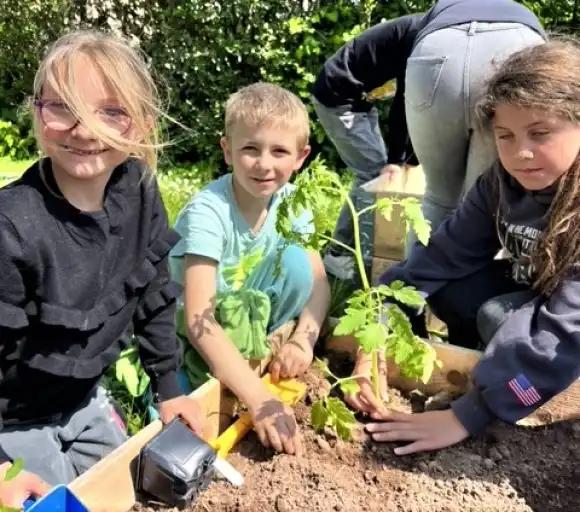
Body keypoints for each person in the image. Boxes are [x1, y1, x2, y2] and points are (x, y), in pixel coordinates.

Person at [346, 41, 580, 454]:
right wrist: (375, 328)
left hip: (571, 324)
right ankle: (492, 372)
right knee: (455, 290)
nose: (520, 153)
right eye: (505, 136)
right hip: (546, 298)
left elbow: (562, 332)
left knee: (498, 319)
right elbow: (437, 257)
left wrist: (466, 416)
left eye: (540, 133)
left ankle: (519, 390)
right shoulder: (501, 183)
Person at [0, 30, 202, 494]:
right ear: (37, 111)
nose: (85, 130)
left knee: (127, 487)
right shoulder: (12, 227)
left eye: (111, 111)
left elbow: (152, 294)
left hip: (82, 399)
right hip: (12, 418)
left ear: (145, 122)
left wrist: (169, 388)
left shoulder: (140, 190)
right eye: (62, 107)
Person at [313, 0, 545, 276]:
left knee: (439, 198)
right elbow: (402, 101)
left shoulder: (431, 28)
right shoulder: (416, 30)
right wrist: (395, 161)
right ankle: (352, 259)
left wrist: (402, 158)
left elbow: (410, 100)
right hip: (337, 98)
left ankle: (411, 293)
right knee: (378, 176)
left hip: (367, 97)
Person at [170, 83, 330, 456]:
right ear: (227, 150)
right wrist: (259, 398)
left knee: (299, 265)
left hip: (247, 312)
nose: (264, 164)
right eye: (249, 149)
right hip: (191, 329)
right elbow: (198, 318)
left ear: (300, 157)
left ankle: (263, 349)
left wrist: (303, 340)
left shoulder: (291, 200)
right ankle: (231, 370)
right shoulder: (208, 212)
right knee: (179, 413)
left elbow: (319, 283)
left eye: (279, 151)